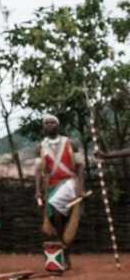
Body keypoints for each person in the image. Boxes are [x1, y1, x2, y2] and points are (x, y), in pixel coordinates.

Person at [36, 114, 84, 270]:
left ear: (58, 125)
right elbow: (38, 171)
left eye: (52, 122)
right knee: (57, 220)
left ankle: (63, 251)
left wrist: (80, 187)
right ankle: (63, 254)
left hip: (69, 183)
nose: (49, 125)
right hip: (51, 186)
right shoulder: (41, 146)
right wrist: (38, 191)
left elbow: (80, 167)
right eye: (46, 123)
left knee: (54, 205)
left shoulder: (70, 143)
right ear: (43, 127)